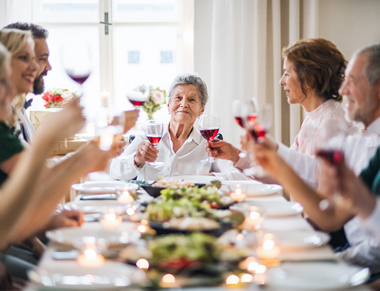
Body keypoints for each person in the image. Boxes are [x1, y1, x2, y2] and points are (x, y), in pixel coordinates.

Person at [249, 43, 380, 274]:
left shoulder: (341, 126)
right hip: (349, 252)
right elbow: (331, 214)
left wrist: (333, 262)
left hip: (357, 260)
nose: (342, 91)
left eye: (352, 81)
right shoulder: (364, 143)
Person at [206, 38, 359, 186]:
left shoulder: (332, 121)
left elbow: (318, 179)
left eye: (287, 73)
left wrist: (272, 147)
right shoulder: (313, 118)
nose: (281, 81)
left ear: (310, 78)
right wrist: (235, 155)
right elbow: (282, 171)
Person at [110, 74, 248, 181]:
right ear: (168, 106)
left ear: (201, 110)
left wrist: (212, 178)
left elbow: (242, 176)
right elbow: (115, 170)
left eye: (192, 99)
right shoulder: (148, 134)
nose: (183, 104)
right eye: (178, 97)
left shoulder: (208, 145)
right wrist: (137, 159)